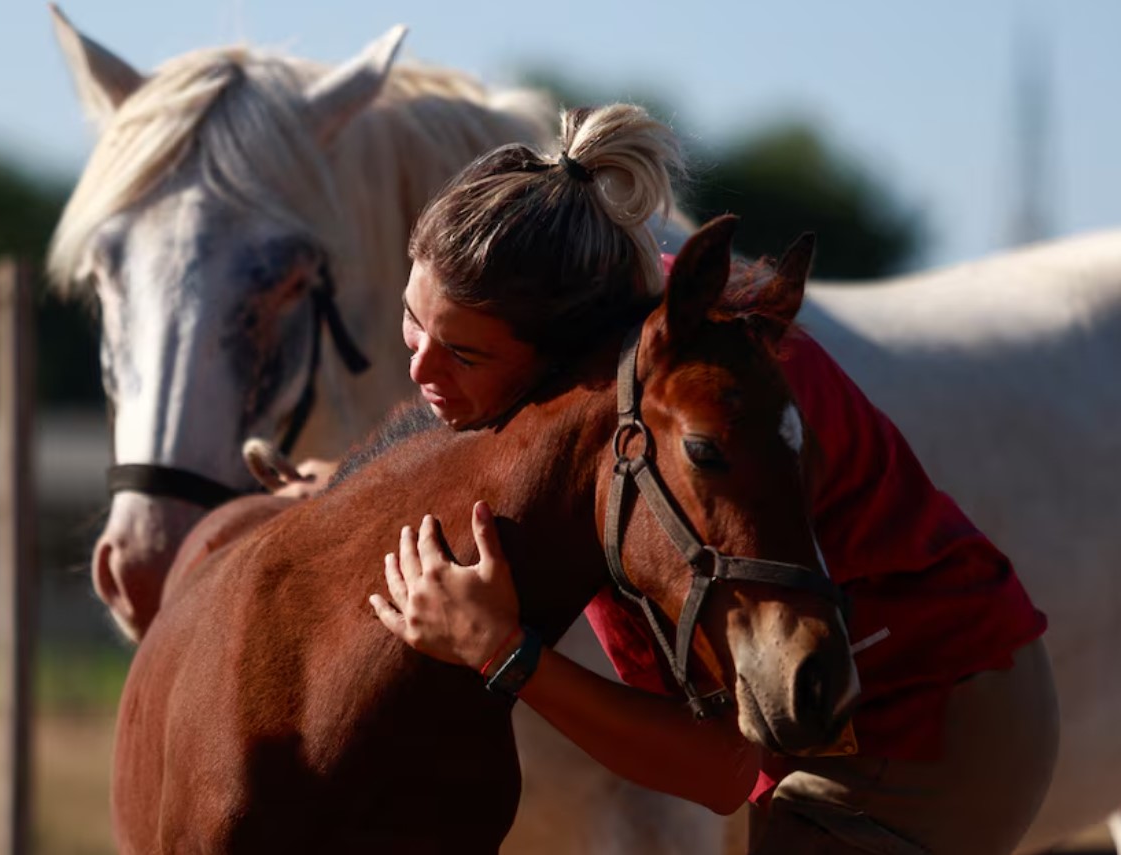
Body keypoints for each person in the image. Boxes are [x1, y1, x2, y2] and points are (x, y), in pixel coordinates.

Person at [352, 103, 1057, 855]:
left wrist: (500, 650)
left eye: (463, 354)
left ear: (559, 358)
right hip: (892, 703)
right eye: (412, 319)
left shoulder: (662, 415)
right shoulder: (627, 334)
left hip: (924, 724)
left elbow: (717, 767)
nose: (419, 365)